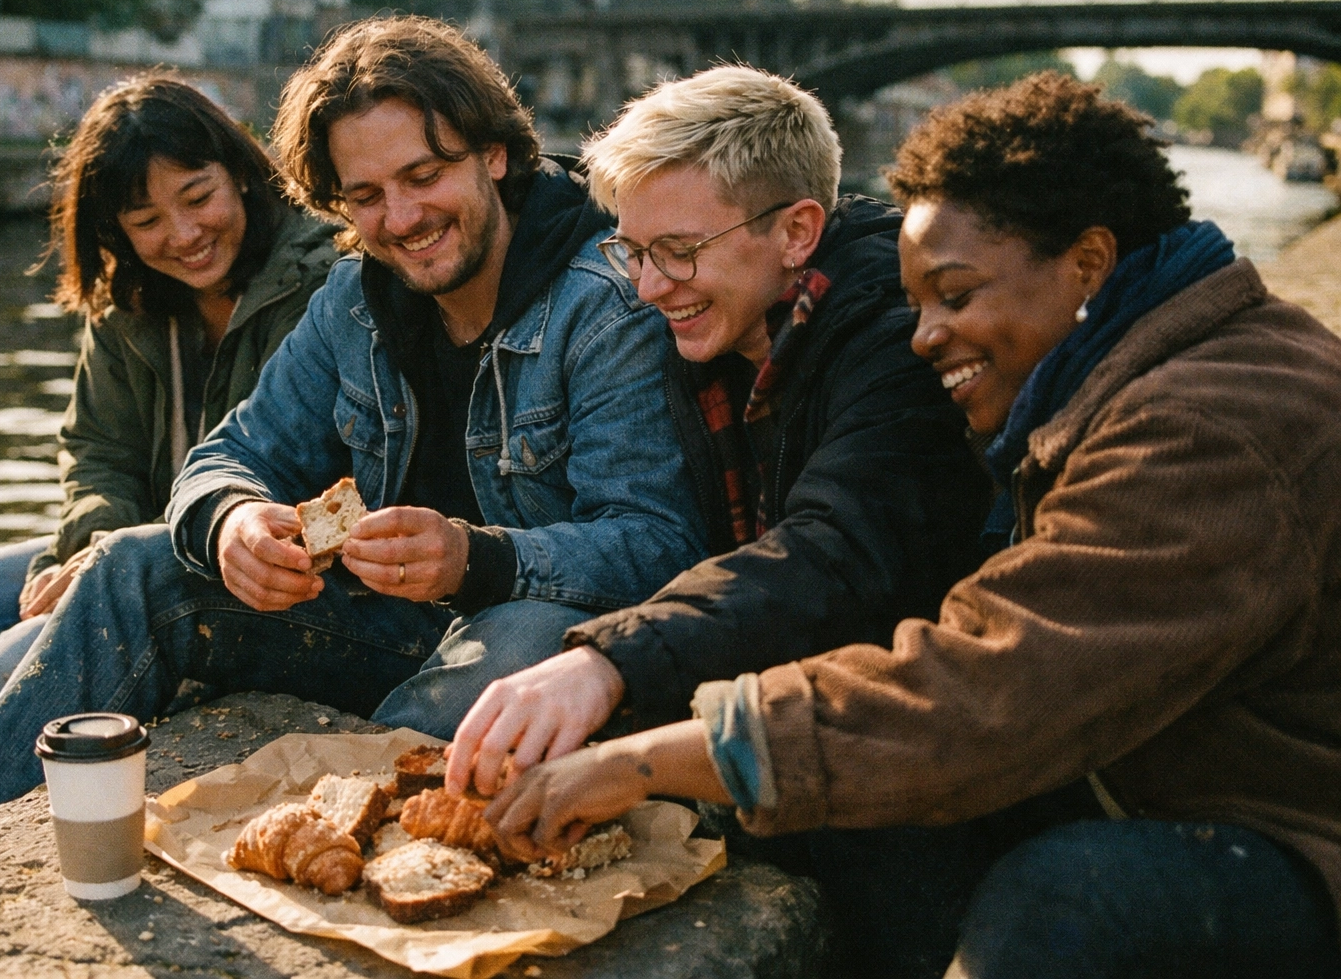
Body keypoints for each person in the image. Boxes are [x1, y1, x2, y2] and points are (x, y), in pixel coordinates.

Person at [479, 73, 1341, 979]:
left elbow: (994, 688)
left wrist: (641, 762)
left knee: (1067, 896)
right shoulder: (1156, 368)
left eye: (955, 297)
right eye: (918, 302)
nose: (923, 337)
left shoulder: (1206, 428)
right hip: (1159, 768)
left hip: (1295, 830)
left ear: (1088, 263)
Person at [0, 15, 705, 859]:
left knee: (520, 636)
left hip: (538, 637)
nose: (401, 218)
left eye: (423, 176)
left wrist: (476, 557)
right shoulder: (354, 295)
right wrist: (233, 522)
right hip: (394, 625)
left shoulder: (604, 300)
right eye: (365, 196)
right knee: (130, 564)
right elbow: (229, 457)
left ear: (495, 156)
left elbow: (660, 543)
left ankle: (348, 843)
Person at [0, 75, 341, 906]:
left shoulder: (322, 280)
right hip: (128, 540)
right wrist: (90, 542)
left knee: (14, 653)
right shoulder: (128, 303)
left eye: (197, 197)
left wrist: (111, 560)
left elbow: (310, 464)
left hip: (235, 560)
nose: (183, 235)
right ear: (114, 231)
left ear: (241, 173)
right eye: (146, 220)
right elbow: (96, 452)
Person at [445, 65, 989, 797]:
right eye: (633, 252)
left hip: (897, 749)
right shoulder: (717, 332)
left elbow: (832, 557)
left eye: (679, 250)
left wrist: (610, 662)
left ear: (797, 232)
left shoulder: (896, 344)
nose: (648, 288)